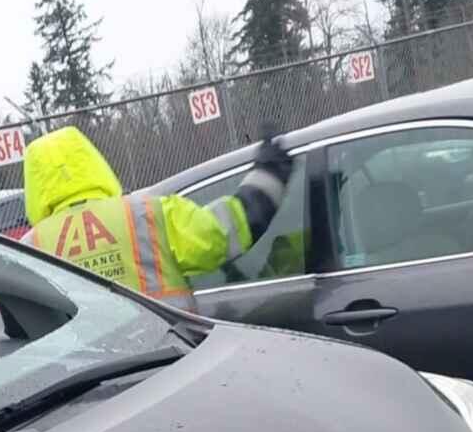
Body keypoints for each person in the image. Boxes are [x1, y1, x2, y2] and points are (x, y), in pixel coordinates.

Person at [21, 126, 293, 311]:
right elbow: (223, 233)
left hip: (89, 386)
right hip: (166, 365)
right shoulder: (147, 212)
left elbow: (23, 326)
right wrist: (269, 173)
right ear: (94, 163)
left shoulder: (29, 247)